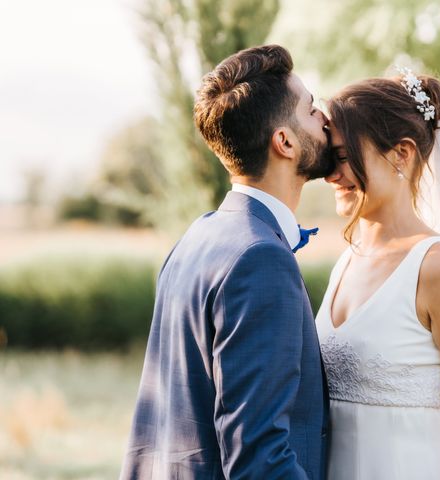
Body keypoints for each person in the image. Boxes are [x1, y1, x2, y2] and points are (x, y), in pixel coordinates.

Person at [120, 44, 333, 480]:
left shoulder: (198, 235)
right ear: (285, 142)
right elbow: (258, 457)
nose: (325, 119)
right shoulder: (261, 260)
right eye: (312, 110)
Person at [316, 70, 440, 479]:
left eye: (342, 157)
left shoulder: (438, 267)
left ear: (401, 154)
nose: (330, 175)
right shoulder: (345, 263)